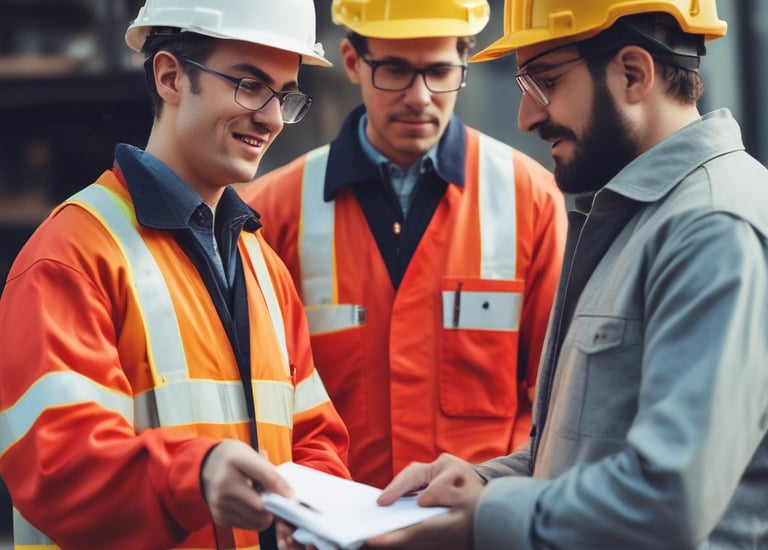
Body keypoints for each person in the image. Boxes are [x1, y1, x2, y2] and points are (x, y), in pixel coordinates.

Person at [364, 0, 768, 548]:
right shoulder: (629, 221)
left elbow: (668, 500)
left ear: (632, 73)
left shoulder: (713, 228)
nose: (526, 118)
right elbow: (580, 453)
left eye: (545, 81)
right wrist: (477, 481)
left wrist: (483, 516)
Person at [0, 0, 351, 548]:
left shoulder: (264, 266)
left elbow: (313, 439)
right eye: (250, 85)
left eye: (285, 95)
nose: (273, 117)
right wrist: (197, 473)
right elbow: (58, 465)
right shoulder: (72, 255)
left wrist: (320, 516)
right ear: (169, 76)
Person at [241, 0, 567, 490]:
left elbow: (559, 402)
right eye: (394, 70)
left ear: (465, 60)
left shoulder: (533, 201)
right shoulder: (273, 211)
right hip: (331, 531)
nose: (419, 97)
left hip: (477, 530)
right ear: (352, 61)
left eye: (439, 72)